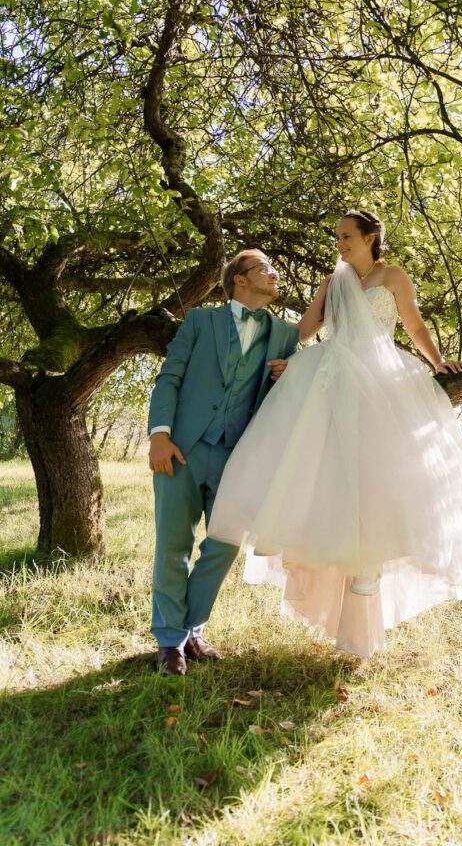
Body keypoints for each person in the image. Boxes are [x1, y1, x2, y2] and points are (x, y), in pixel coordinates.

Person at [208, 210, 462, 658]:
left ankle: (363, 621)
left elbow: (413, 324)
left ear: (371, 237)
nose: (340, 244)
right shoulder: (333, 282)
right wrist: (273, 350)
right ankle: (342, 610)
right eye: (337, 237)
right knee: (327, 480)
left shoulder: (393, 276)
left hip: (379, 379)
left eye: (347, 236)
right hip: (330, 376)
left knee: (376, 489)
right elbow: (304, 329)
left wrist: (437, 361)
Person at [147, 249, 299, 675]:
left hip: (238, 456)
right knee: (173, 545)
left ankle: (188, 628)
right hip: (181, 448)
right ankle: (171, 643)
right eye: (265, 268)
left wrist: (290, 375)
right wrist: (159, 435)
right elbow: (170, 377)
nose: (275, 274)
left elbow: (297, 385)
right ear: (240, 280)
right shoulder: (200, 321)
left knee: (225, 545)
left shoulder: (285, 335)